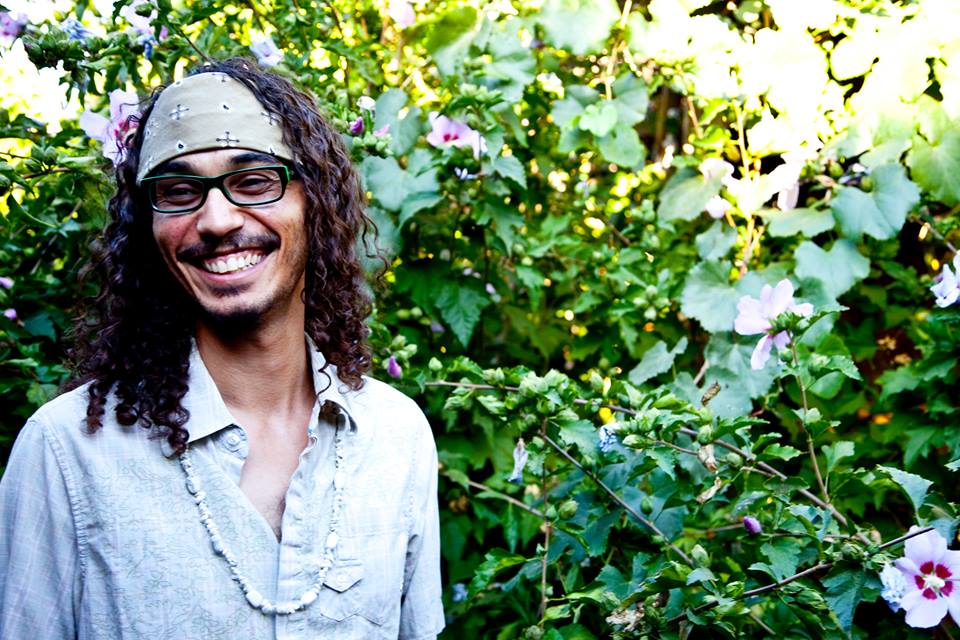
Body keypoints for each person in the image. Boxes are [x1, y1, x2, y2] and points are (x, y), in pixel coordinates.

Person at [0, 58, 444, 639]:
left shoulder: (396, 438)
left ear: (315, 203)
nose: (216, 220)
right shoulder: (65, 452)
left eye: (253, 181)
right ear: (147, 229)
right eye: (179, 191)